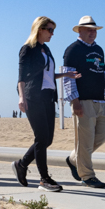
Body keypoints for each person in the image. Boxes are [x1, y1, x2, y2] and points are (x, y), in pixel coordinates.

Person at [14, 16, 73, 192]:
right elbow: (22, 76)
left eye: (53, 30)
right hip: (33, 96)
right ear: (40, 29)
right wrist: (21, 97)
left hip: (48, 96)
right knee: (41, 137)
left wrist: (64, 76)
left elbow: (48, 75)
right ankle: (44, 179)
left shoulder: (46, 49)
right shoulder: (28, 49)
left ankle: (22, 164)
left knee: (47, 139)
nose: (52, 34)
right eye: (50, 30)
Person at [62, 16, 105, 189]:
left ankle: (73, 159)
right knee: (85, 141)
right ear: (79, 30)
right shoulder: (72, 50)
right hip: (82, 100)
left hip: (100, 99)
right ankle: (87, 175)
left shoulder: (99, 50)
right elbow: (68, 78)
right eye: (88, 29)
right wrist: (74, 101)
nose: (92, 32)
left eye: (94, 30)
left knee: (103, 133)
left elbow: (104, 74)